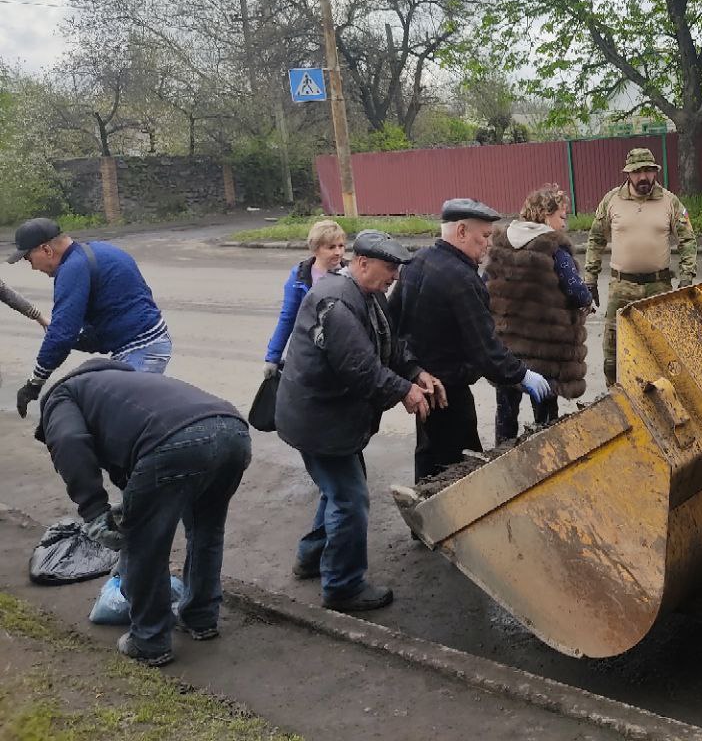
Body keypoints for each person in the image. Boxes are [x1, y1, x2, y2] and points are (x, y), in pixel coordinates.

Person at [36, 359, 251, 667]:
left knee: (144, 545)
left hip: (176, 441)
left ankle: (150, 641)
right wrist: (131, 503)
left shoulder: (61, 397)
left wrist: (95, 511)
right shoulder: (119, 384)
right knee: (206, 531)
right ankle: (200, 618)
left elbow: (69, 443)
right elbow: (131, 455)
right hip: (234, 430)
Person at [275, 229, 445, 612]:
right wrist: (404, 391)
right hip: (318, 420)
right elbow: (360, 367)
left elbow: (391, 345)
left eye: (397, 269)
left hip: (327, 418)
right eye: (389, 268)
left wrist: (415, 371)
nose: (395, 277)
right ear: (362, 263)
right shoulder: (335, 301)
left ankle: (311, 557)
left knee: (338, 491)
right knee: (350, 500)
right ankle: (343, 586)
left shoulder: (369, 295)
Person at [390, 199, 552, 480]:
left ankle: (421, 520)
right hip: (448, 393)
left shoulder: (418, 261)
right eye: (485, 236)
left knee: (429, 461)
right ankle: (450, 523)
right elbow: (485, 350)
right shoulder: (462, 280)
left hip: (424, 385)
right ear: (461, 232)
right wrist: (523, 375)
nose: (488, 245)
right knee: (460, 472)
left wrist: (413, 370)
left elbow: (394, 323)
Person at [9, 218, 171, 418]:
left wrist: (34, 383)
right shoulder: (100, 251)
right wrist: (71, 337)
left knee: (117, 420)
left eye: (29, 259)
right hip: (147, 342)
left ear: (46, 250)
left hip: (142, 349)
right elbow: (98, 329)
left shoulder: (72, 268)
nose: (33, 267)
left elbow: (61, 336)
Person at [486, 184, 593, 442]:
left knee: (506, 409)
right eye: (562, 217)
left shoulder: (501, 244)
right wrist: (588, 300)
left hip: (507, 348)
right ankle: (543, 458)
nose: (564, 225)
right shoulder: (554, 249)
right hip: (544, 349)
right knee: (545, 411)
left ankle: (502, 455)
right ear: (546, 215)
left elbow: (484, 285)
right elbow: (575, 289)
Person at [584, 148, 697, 386]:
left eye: (648, 171)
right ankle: (614, 396)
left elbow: (687, 239)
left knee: (664, 347)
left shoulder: (669, 201)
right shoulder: (612, 200)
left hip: (659, 287)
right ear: (628, 174)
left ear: (655, 172)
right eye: (637, 172)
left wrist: (686, 278)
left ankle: (664, 394)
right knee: (613, 353)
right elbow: (596, 239)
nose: (643, 177)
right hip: (621, 287)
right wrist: (590, 279)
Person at [263, 218, 346, 378]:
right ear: (316, 249)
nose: (338, 252)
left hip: (343, 353)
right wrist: (272, 357)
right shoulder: (299, 277)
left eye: (341, 246)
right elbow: (287, 318)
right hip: (311, 355)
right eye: (331, 247)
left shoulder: (350, 274)